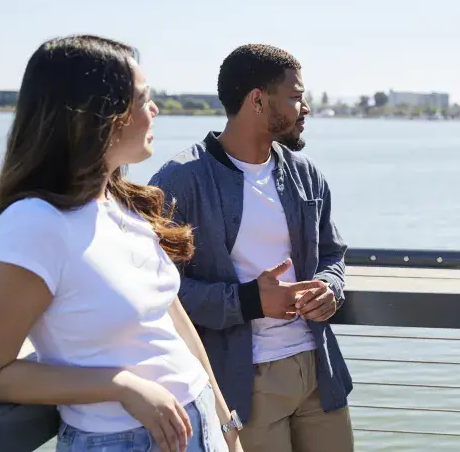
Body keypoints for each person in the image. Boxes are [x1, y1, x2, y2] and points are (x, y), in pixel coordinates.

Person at [0, 35, 243, 452]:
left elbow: (172, 321)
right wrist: (121, 385)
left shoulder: (118, 204)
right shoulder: (31, 225)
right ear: (103, 115)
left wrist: (225, 424)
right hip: (123, 440)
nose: (155, 109)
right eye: (144, 99)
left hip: (199, 426)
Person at [148, 44, 354, 452]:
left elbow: (333, 253)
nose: (306, 108)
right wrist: (248, 302)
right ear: (258, 100)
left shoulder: (306, 173)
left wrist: (330, 287)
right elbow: (156, 293)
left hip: (320, 373)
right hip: (242, 383)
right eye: (295, 97)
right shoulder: (180, 181)